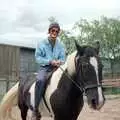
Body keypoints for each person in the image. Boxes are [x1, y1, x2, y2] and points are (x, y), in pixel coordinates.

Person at [32, 22, 66, 119]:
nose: (54, 32)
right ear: (49, 31)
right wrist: (50, 61)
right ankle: (35, 109)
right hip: (45, 68)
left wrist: (60, 61)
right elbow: (38, 58)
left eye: (56, 31)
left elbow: (63, 58)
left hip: (57, 68)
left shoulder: (61, 45)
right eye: (53, 30)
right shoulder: (41, 43)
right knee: (40, 80)